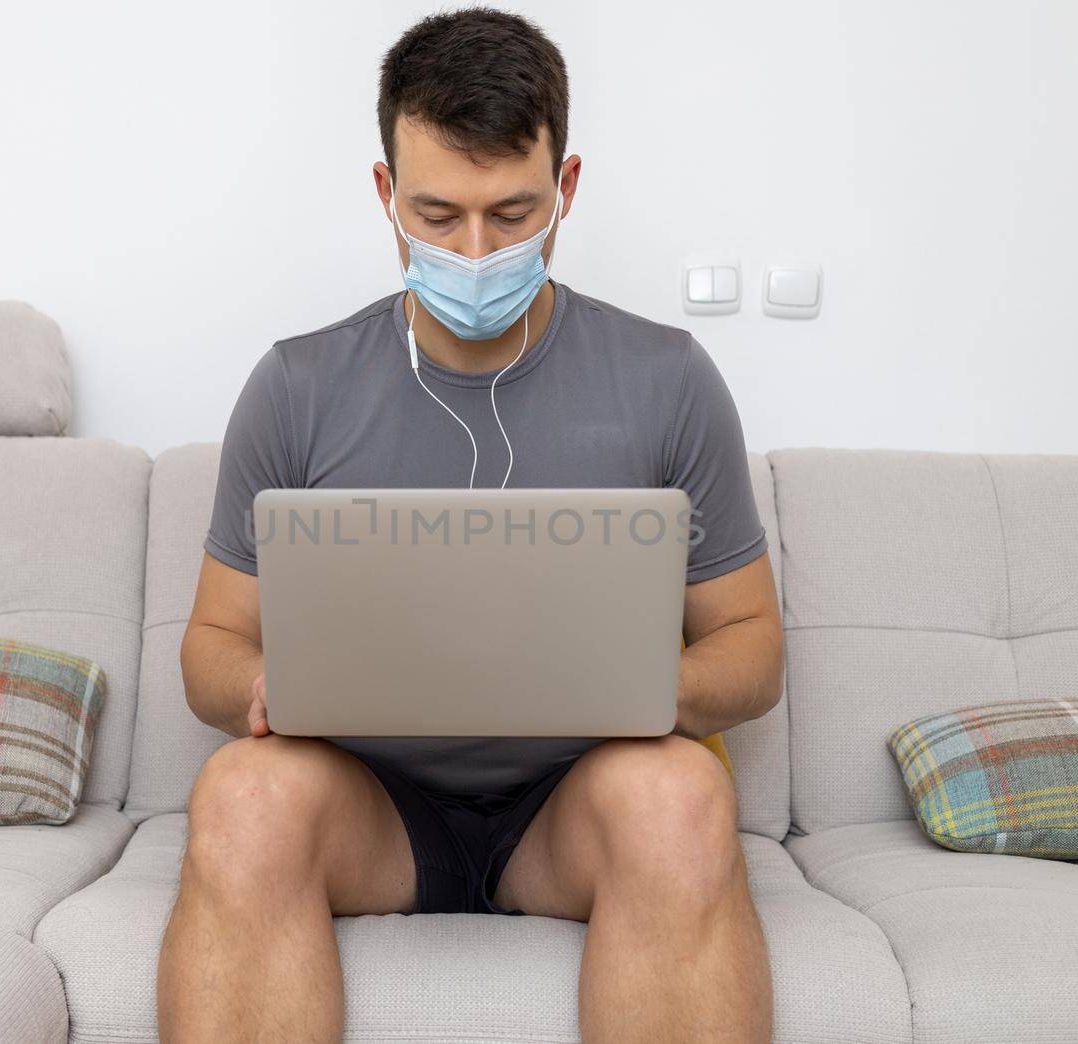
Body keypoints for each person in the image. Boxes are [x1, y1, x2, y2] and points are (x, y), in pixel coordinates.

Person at [158, 7, 782, 1041]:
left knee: (676, 793)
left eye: (513, 213)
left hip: (574, 811)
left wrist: (652, 685)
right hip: (371, 812)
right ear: (384, 194)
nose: (477, 251)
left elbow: (753, 654)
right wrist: (263, 689)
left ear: (566, 188)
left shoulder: (665, 380)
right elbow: (209, 649)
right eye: (438, 216)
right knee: (242, 793)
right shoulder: (297, 386)